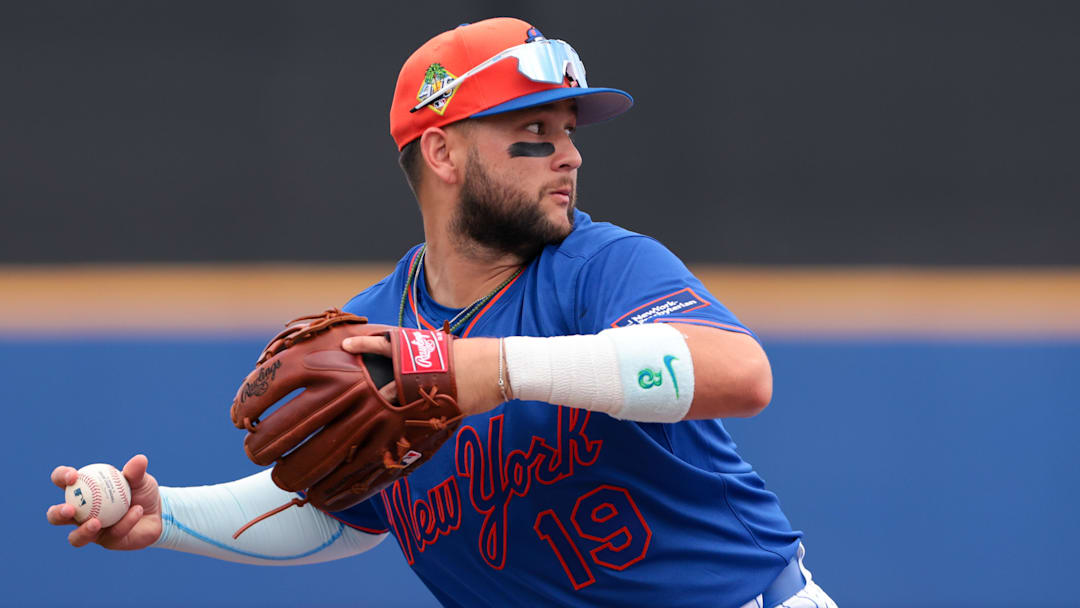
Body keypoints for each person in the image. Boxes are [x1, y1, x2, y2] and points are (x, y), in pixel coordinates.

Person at [47, 18, 836, 608]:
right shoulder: (374, 333)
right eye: (532, 132)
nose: (570, 154)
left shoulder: (599, 267)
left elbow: (741, 372)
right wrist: (169, 514)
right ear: (443, 152)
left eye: (568, 132)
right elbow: (342, 510)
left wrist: (494, 368)